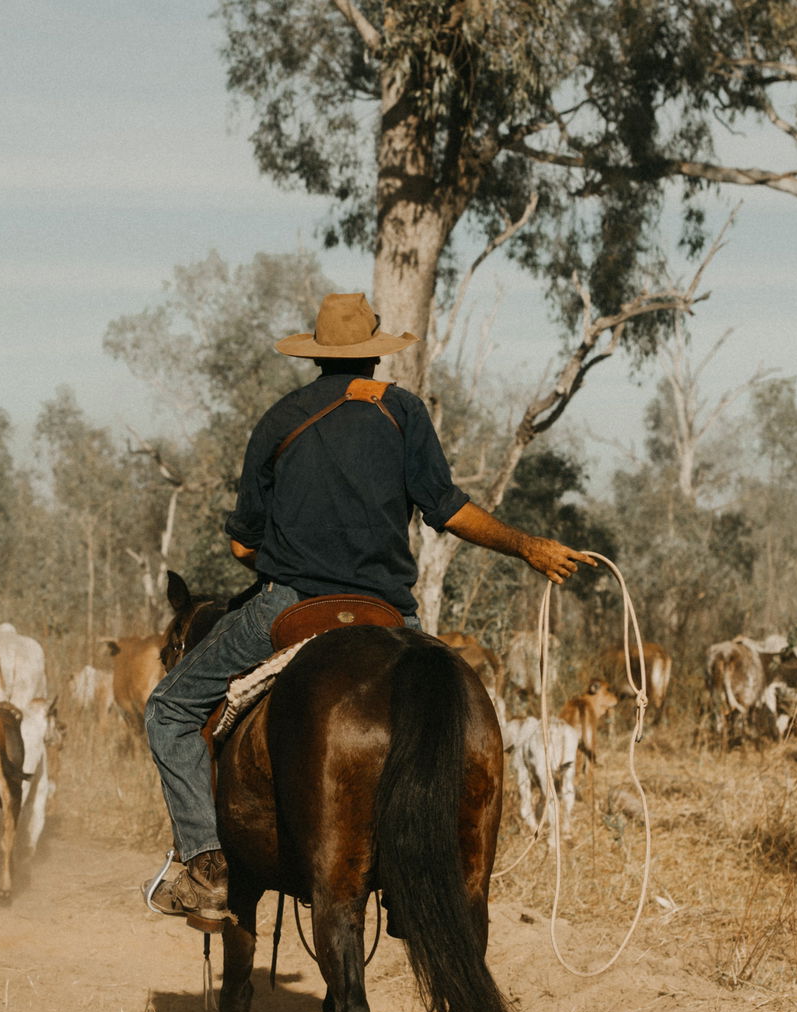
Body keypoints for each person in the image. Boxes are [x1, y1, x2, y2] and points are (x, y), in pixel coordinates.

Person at [143, 291, 597, 928]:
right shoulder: (402, 413)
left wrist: (292, 561)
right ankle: (420, 876)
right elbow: (448, 509)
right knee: (443, 707)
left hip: (290, 604)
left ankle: (207, 866)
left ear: (318, 357)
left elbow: (243, 540)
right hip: (387, 614)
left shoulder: (279, 420)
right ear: (376, 356)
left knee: (167, 708)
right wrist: (527, 546)